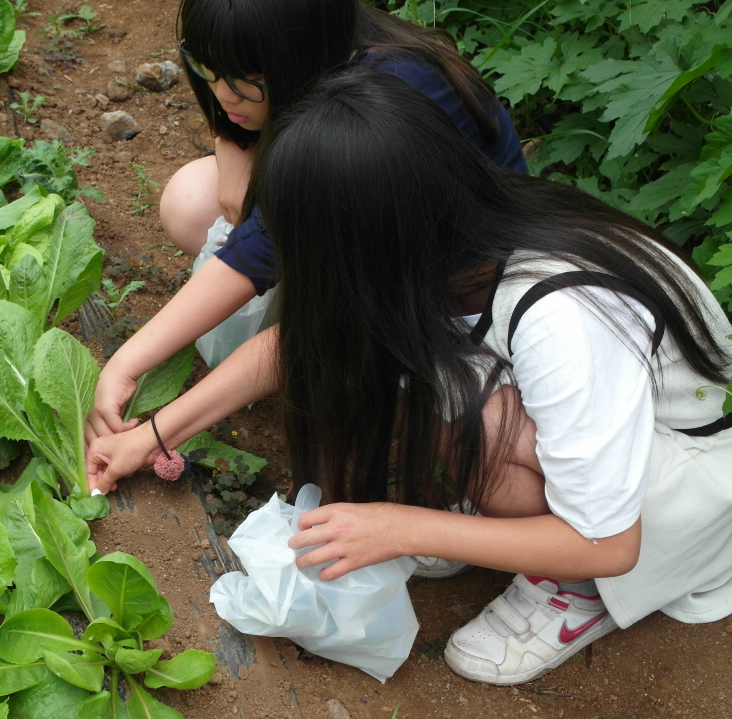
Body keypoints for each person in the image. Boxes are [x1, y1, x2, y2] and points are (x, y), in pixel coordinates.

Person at [86, 64, 732, 686]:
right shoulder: (448, 241)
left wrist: (399, 526)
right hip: (599, 436)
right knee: (411, 370)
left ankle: (573, 589)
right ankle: (492, 524)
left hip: (678, 488)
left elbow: (608, 542)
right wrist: (153, 434)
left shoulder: (563, 318)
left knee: (487, 422)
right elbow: (300, 345)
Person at [84, 0, 526, 458]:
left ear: (296, 52)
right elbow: (260, 236)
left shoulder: (371, 118)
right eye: (208, 68)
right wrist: (232, 153)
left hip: (448, 296)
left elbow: (271, 277)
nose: (223, 94)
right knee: (193, 197)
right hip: (371, 253)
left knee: (344, 356)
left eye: (244, 77)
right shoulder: (322, 50)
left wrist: (145, 409)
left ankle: (391, 398)